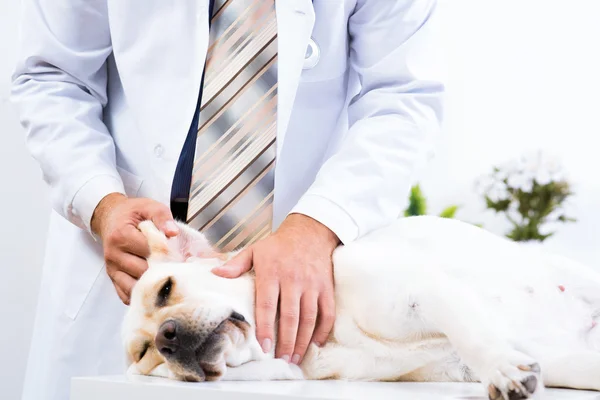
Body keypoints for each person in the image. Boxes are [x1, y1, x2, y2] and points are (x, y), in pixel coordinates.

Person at [11, 0, 444, 399]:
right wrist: (100, 203)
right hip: (132, 272)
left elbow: (402, 98)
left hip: (292, 275)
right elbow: (52, 75)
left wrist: (317, 226)